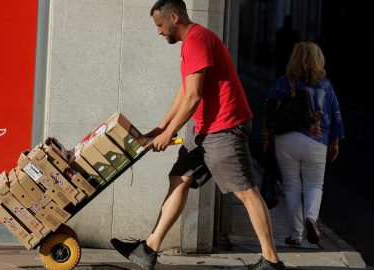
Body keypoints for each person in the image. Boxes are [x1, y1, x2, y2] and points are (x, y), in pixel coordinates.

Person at [110, 1, 286, 269]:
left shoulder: (197, 40)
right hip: (204, 128)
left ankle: (271, 262)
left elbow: (194, 95)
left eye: (160, 25)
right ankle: (149, 249)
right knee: (178, 178)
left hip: (224, 127)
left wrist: (169, 134)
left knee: (246, 192)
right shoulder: (191, 43)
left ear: (174, 17)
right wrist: (163, 127)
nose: (158, 32)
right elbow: (185, 90)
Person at [263, 41, 344, 246]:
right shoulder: (326, 85)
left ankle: (296, 235)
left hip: (286, 140)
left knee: (291, 187)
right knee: (314, 184)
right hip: (316, 140)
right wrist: (334, 142)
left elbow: (268, 110)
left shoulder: (283, 82)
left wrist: (266, 138)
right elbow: (336, 117)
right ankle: (311, 218)